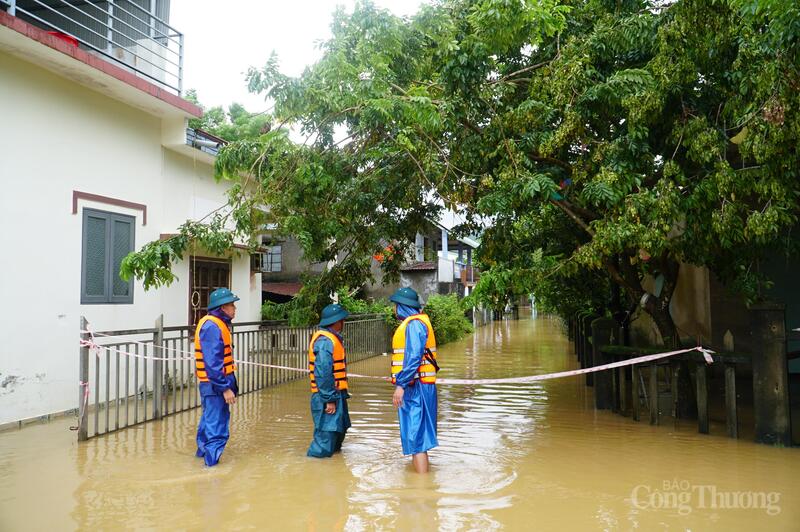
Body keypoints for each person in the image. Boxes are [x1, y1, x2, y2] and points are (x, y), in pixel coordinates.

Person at [389, 287, 439, 473]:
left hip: (416, 388)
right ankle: (422, 481)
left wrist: (401, 386)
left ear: (402, 306)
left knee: (416, 439)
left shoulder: (414, 325)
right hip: (420, 386)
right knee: (417, 436)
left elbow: (413, 358)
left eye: (396, 306)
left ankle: (421, 489)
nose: (394, 310)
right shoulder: (417, 323)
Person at [194, 287, 239, 467]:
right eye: (232, 306)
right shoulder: (212, 327)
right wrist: (225, 388)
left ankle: (202, 457)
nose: (235, 309)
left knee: (208, 422)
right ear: (222, 308)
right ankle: (211, 469)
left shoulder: (213, 324)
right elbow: (213, 363)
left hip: (211, 385)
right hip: (215, 386)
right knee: (216, 427)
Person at [307, 303, 352, 458]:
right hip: (327, 396)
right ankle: (315, 473)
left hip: (336, 394)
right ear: (336, 321)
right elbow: (323, 373)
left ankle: (334, 474)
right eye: (342, 320)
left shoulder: (331, 339)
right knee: (324, 441)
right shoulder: (325, 341)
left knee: (338, 433)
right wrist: (329, 399)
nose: (344, 323)